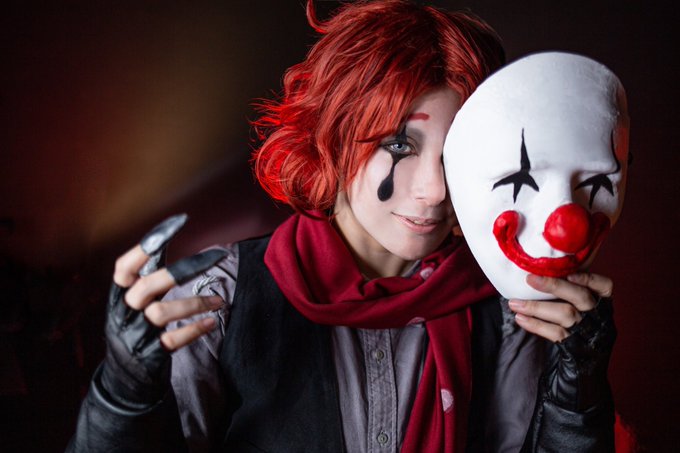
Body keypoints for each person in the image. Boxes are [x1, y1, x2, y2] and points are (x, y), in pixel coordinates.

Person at [67, 1, 616, 452]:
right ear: (334, 136)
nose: (435, 189)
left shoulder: (505, 310)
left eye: (459, 154)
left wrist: (578, 396)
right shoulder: (221, 299)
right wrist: (125, 396)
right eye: (399, 145)